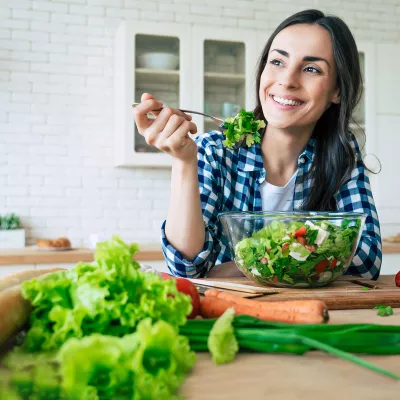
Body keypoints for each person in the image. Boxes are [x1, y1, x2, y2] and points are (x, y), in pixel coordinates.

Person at [133, 9, 382, 280]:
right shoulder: (215, 150)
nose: (287, 80)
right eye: (277, 62)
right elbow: (188, 267)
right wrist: (183, 161)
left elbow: (366, 260)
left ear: (337, 91)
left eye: (311, 68)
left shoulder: (341, 155)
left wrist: (244, 265)